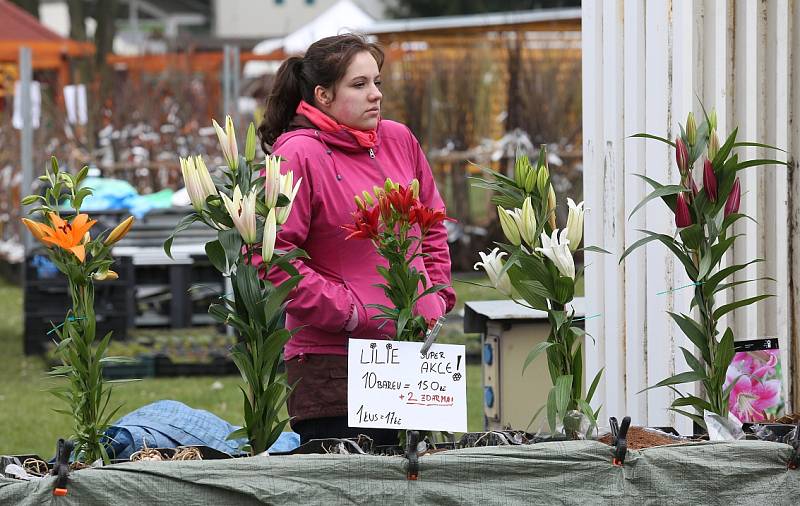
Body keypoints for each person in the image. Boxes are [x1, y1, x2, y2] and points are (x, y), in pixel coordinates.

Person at [258, 34, 455, 446]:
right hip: (335, 366)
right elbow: (271, 256)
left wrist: (435, 297)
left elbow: (432, 224)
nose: (376, 95)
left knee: (414, 483)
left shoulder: (399, 139)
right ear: (323, 95)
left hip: (410, 349)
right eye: (359, 85)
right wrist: (349, 312)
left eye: (377, 82)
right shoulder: (296, 154)